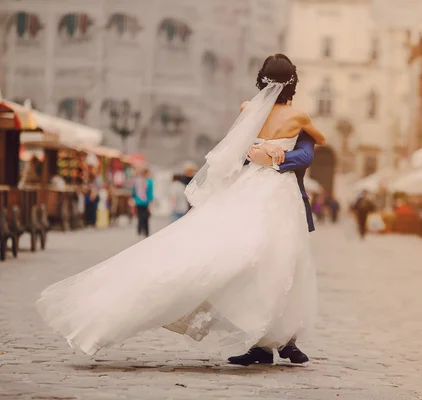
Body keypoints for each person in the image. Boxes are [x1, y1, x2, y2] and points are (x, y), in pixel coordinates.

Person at [36, 54, 326, 366]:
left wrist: (267, 155)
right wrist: (273, 152)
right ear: (293, 82)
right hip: (274, 197)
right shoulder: (299, 117)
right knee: (270, 263)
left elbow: (236, 151)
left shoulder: (248, 109)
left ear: (261, 79)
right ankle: (264, 340)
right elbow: (312, 145)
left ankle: (275, 339)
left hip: (248, 192)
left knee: (265, 262)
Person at [132, 168, 154, 237]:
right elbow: (150, 193)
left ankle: (139, 229)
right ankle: (146, 232)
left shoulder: (138, 182)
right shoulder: (149, 182)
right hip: (146, 202)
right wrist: (150, 203)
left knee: (140, 216)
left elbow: (134, 192)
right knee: (146, 218)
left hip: (138, 201)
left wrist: (134, 199)